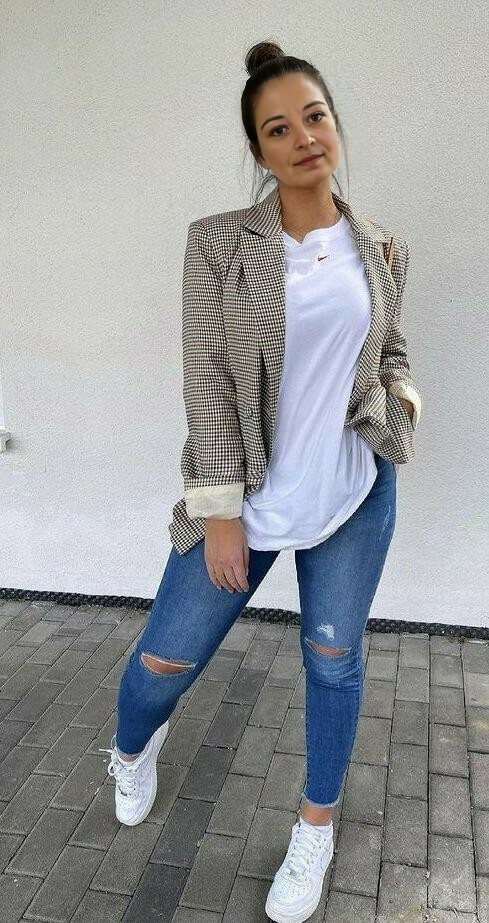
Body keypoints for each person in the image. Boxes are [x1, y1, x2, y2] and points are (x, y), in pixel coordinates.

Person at [99, 40, 423, 923]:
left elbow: (389, 349)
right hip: (244, 501)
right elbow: (206, 379)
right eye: (278, 128)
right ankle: (131, 747)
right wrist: (219, 513)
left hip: (351, 496)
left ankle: (314, 827)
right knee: (164, 657)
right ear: (259, 150)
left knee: (334, 660)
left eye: (314, 117)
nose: (302, 137)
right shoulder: (217, 245)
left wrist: (400, 399)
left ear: (334, 124)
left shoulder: (381, 247)